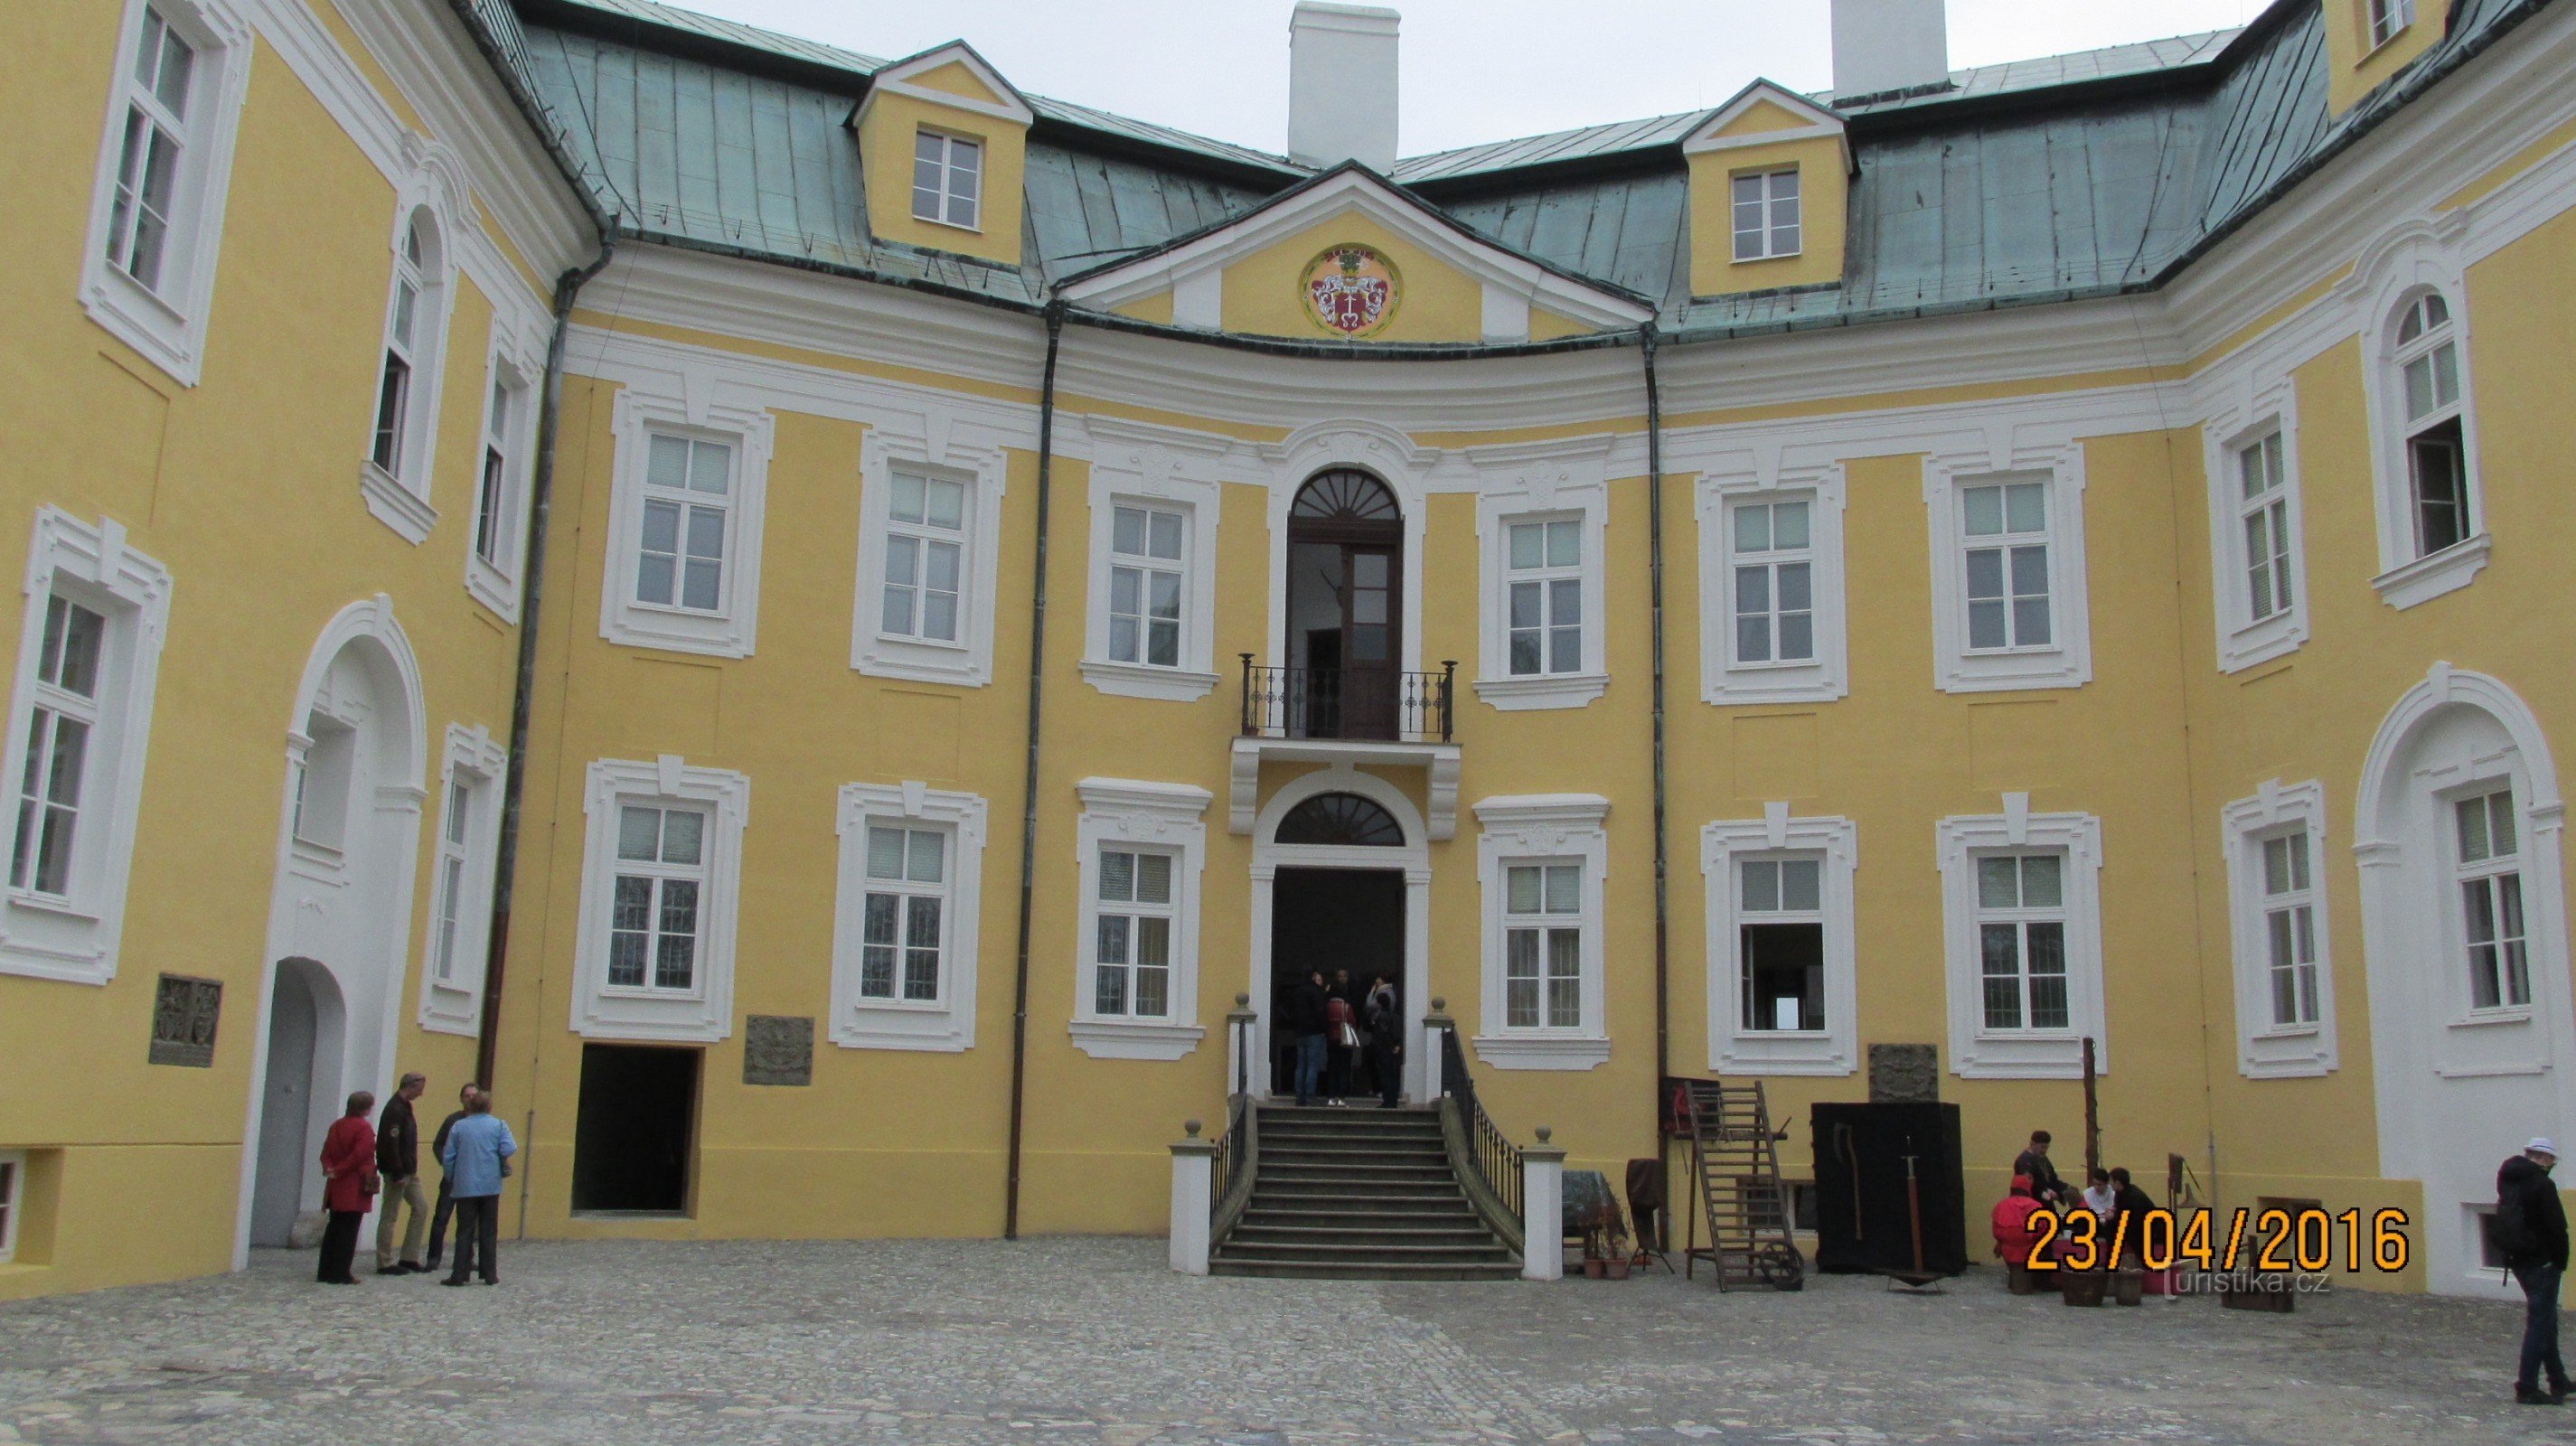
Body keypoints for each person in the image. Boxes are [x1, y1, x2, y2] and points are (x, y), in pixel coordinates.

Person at [2498, 1138, 2571, 1405]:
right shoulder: (2542, 1184)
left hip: (2518, 1260)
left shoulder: (2508, 1178)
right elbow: (2556, 1227)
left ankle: (2558, 1379)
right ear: (2543, 1159)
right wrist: (2561, 1260)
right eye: (2551, 1160)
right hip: (2542, 1262)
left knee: (2546, 1319)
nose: (2552, 1165)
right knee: (2540, 1323)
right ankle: (2527, 1385)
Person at [439, 1089, 516, 1286]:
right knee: (489, 1230)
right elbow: (509, 1147)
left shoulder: (459, 1126)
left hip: (465, 1184)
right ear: (489, 1106)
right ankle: (489, 1273)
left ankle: (460, 1273)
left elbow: (448, 1156)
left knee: (464, 1230)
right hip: (490, 1184)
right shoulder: (498, 1125)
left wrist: (452, 1177)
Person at [315, 1091, 378, 1286]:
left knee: (334, 1228)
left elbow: (325, 1152)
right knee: (348, 1231)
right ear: (366, 1109)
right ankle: (341, 1272)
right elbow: (360, 1154)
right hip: (353, 1183)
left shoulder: (336, 1126)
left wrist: (330, 1169)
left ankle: (325, 1270)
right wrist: (340, 1170)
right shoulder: (364, 1128)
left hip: (336, 1184)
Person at [373, 1072, 429, 1275]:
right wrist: (396, 1170)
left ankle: (409, 1256)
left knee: (421, 1207)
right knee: (390, 1214)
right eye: (420, 1088)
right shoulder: (395, 1109)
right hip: (397, 1170)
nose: (422, 1093)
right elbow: (390, 1142)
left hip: (408, 1169)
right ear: (411, 1086)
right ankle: (384, 1261)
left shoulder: (404, 1107)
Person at [421, 1081, 479, 1276]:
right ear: (461, 1099)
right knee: (441, 1217)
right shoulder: (452, 1120)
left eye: (473, 1095)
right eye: (467, 1095)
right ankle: (433, 1258)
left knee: (469, 1220)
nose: (470, 1099)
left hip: (472, 1178)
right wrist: (447, 1165)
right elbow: (438, 1145)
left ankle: (466, 1258)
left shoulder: (483, 1120)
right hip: (452, 1177)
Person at [1290, 970, 1330, 1108]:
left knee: (1301, 1066)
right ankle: (1310, 1097)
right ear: (1313, 977)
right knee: (1313, 1065)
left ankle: (1299, 1097)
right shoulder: (1316, 992)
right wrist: (1324, 1029)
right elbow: (1321, 1012)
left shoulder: (1298, 991)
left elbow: (1292, 1011)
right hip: (1314, 1032)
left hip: (1300, 1032)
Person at [1992, 1173, 2048, 1264]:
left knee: (2015, 1271)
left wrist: (2000, 1243)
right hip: (2031, 1250)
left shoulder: (2001, 1205)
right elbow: (2044, 1229)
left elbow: (1996, 1230)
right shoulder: (2035, 1205)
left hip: (2008, 1249)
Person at [2107, 1166, 2157, 1267]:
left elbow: (2132, 1221)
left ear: (2117, 1183)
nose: (2109, 1184)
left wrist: (2112, 1218)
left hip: (2146, 1229)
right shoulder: (2120, 1193)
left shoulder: (2134, 1197)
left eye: (2111, 1181)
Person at [1365, 974, 1401, 1108]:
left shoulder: (1381, 1017)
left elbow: (1384, 1033)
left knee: (1385, 1075)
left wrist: (1390, 1045)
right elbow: (1397, 1032)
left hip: (1384, 1049)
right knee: (1393, 1076)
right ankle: (1393, 1101)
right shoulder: (1395, 1016)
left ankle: (1388, 1101)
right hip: (1393, 1049)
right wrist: (1398, 1045)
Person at [2013, 1131, 2069, 1207]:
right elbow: (2025, 1185)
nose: (2044, 1151)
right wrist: (2044, 1192)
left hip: (2046, 1204)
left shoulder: (2044, 1159)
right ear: (2032, 1144)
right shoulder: (2024, 1161)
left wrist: (2066, 1189)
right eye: (2042, 1147)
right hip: (2032, 1204)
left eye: (2046, 1147)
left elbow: (2052, 1179)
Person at [1322, 990, 1358, 1104]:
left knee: (1332, 1068)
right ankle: (1341, 1097)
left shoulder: (1327, 1006)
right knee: (1344, 1068)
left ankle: (1331, 1096)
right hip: (1344, 1040)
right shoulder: (1346, 1007)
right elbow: (1352, 1022)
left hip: (1331, 1039)